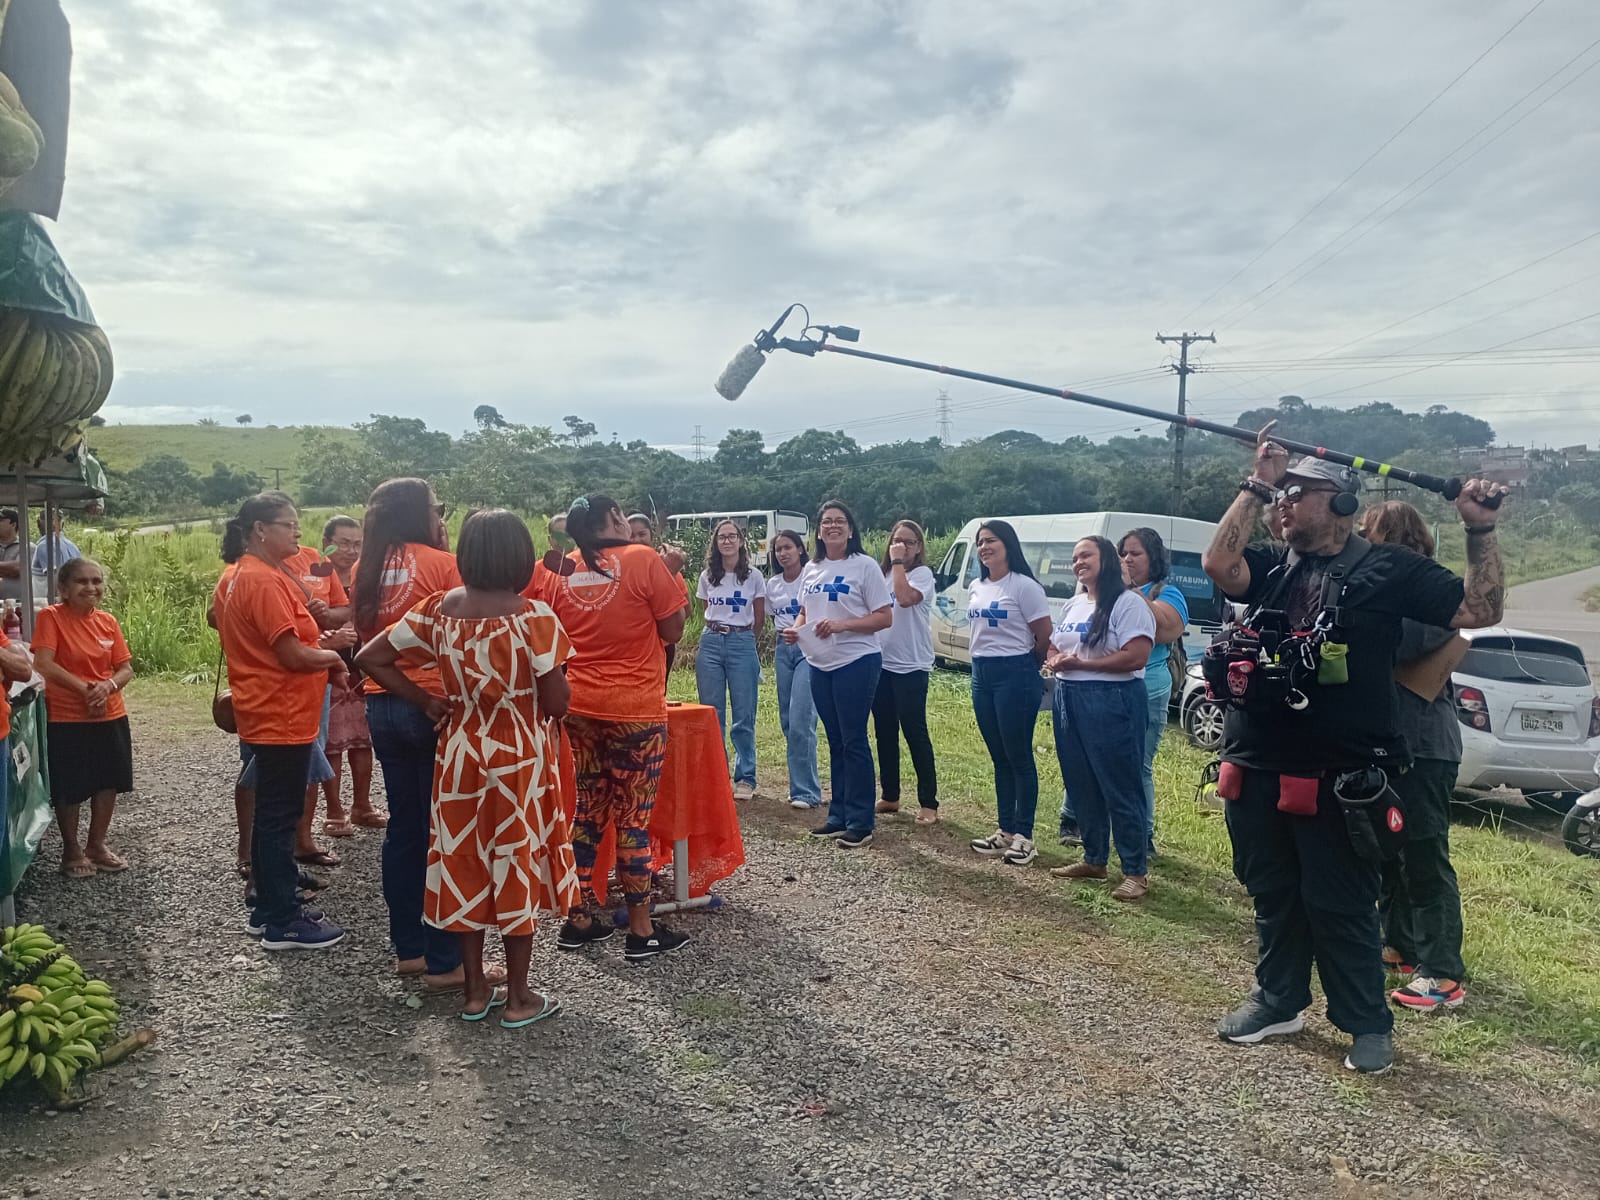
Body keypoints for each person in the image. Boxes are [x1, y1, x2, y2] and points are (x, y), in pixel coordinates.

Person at [1202, 437, 1506, 1075]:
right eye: (1281, 495)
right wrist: (1257, 483)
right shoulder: (1271, 564)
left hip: (1342, 775)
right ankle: (1278, 1000)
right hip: (1255, 764)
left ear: (1342, 503)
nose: (1284, 504)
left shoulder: (1389, 569)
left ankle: (1366, 1022)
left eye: (1298, 492)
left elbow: (1479, 608)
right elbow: (1219, 564)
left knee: (1340, 902)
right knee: (1272, 893)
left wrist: (1480, 531)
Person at [356, 510, 579, 1024]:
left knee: (464, 861)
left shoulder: (438, 610)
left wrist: (426, 700)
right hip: (518, 758)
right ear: (519, 556)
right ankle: (520, 997)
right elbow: (557, 703)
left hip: (460, 752)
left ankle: (475, 991)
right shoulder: (535, 617)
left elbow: (370, 656)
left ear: (468, 554)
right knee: (515, 861)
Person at [543, 494, 691, 961]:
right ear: (612, 519)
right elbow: (673, 631)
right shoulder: (643, 559)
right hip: (635, 710)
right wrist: (670, 572)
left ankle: (578, 917)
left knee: (588, 810)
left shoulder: (562, 568)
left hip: (580, 705)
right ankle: (641, 930)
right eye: (623, 515)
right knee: (633, 819)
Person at [353, 478, 471, 987]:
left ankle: (409, 949)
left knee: (404, 828)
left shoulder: (365, 567)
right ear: (417, 512)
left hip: (382, 705)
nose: (440, 515)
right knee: (441, 832)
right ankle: (446, 958)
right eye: (436, 507)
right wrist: (428, 699)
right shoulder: (442, 565)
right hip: (431, 706)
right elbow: (465, 636)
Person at [217, 493, 349, 950]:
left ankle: (269, 905)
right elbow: (291, 654)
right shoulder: (261, 580)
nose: (297, 531)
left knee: (272, 812)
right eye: (288, 524)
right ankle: (282, 920)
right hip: (281, 713)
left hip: (268, 710)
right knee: (279, 816)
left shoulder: (241, 574)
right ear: (259, 529)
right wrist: (333, 656)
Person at [1360, 500, 1469, 1012]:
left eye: (1369, 533)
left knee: (1424, 853)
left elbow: (1397, 646)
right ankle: (1400, 943)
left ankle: (1442, 971)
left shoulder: (1425, 591)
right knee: (1391, 848)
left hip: (1424, 747)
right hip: (1394, 742)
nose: (1361, 542)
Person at [1045, 536, 1155, 893]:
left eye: (1086, 555)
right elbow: (1054, 644)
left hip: (1112, 698)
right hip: (1068, 697)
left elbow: (1136, 655)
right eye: (1074, 558)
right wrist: (1055, 659)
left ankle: (1135, 872)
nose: (1078, 562)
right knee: (1080, 781)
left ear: (1106, 559)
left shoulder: (1127, 603)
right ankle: (1094, 859)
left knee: (1120, 785)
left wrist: (1082, 663)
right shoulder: (1074, 603)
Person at [784, 500, 892, 848]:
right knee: (835, 740)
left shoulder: (864, 566)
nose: (833, 526)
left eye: (840, 521)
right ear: (818, 531)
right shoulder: (812, 568)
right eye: (826, 521)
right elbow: (805, 611)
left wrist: (842, 625)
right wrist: (796, 629)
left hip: (856, 660)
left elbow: (884, 616)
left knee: (853, 739)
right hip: (820, 663)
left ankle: (861, 821)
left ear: (850, 529)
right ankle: (838, 815)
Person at [31, 558, 135, 878]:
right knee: (71, 784)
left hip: (110, 713)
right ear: (63, 589)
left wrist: (107, 687)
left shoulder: (108, 621)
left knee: (108, 781)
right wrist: (86, 690)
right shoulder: (51, 617)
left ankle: (97, 845)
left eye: (96, 581)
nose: (91, 587)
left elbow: (125, 668)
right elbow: (44, 663)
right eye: (82, 581)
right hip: (67, 716)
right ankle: (71, 850)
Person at [965, 521, 1054, 865]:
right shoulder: (977, 586)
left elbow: (1044, 635)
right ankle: (1005, 830)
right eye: (980, 542)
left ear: (1008, 545)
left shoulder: (1024, 586)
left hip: (1015, 674)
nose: (984, 547)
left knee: (1018, 756)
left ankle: (1025, 837)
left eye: (991, 541)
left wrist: (1027, 666)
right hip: (981, 673)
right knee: (999, 755)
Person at [318, 515, 383, 836]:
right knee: (331, 744)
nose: (351, 551)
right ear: (326, 544)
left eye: (357, 544)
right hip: (326, 669)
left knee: (362, 741)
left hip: (361, 669)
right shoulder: (315, 577)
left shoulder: (365, 576)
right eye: (343, 543)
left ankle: (362, 805)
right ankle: (334, 810)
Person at [873, 520, 939, 823]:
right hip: (881, 663)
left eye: (909, 542)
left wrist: (898, 562)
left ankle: (928, 802)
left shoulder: (922, 575)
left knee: (914, 731)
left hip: (911, 665)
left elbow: (904, 598)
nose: (901, 546)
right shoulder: (883, 574)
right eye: (896, 541)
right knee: (884, 731)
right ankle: (890, 795)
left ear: (919, 547)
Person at [696, 520, 764, 800]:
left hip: (741, 640)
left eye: (732, 536)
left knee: (744, 712)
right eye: (721, 537)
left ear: (740, 541)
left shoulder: (754, 576)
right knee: (712, 712)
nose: (727, 541)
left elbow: (759, 616)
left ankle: (745, 776)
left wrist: (745, 640)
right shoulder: (707, 576)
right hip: (711, 641)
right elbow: (706, 609)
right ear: (715, 542)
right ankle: (717, 774)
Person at [765, 529, 822, 810]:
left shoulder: (811, 576)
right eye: (778, 549)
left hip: (807, 647)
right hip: (782, 648)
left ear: (800, 549)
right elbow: (766, 616)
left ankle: (807, 792)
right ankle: (799, 784)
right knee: (788, 720)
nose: (783, 553)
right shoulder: (773, 584)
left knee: (802, 719)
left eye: (788, 547)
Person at [30, 510, 80, 578]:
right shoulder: (73, 546)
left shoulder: (44, 546)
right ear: (62, 525)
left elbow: (54, 578)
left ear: (38, 523)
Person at [0, 507, 22, 604]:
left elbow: (17, 568)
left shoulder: (27, 547)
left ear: (13, 524)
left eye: (1, 520)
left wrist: (10, 569)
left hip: (17, 605)